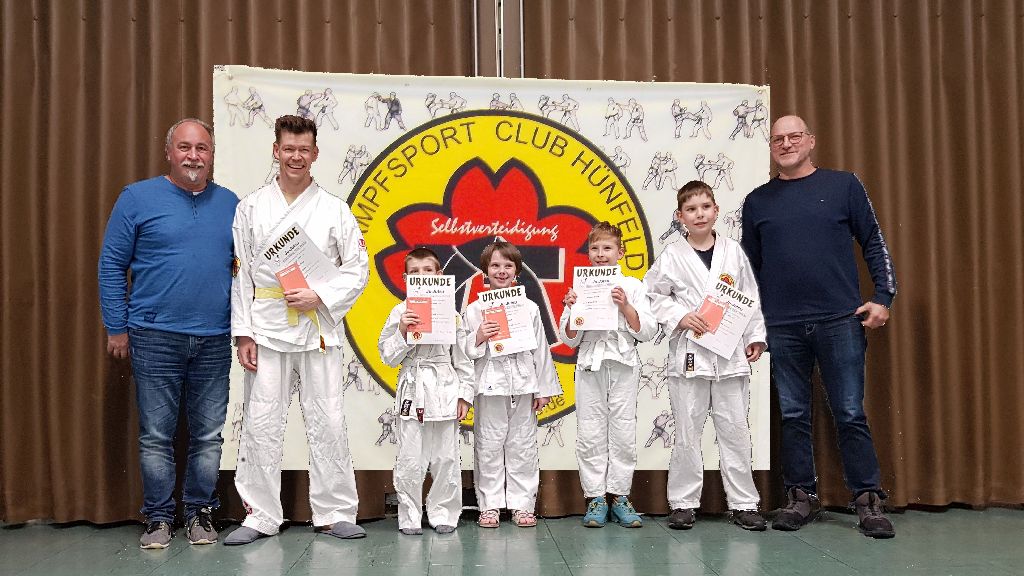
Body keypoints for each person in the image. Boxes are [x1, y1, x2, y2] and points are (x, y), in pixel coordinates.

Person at [740, 115, 897, 539]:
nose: (786, 143)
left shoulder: (844, 186)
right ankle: (800, 498)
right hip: (781, 326)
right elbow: (748, 271)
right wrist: (750, 327)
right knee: (793, 415)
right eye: (778, 139)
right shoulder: (757, 202)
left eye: (794, 136)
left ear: (811, 141)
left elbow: (873, 241)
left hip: (839, 320)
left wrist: (883, 297)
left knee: (849, 412)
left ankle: (868, 500)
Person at [226, 115, 370, 545]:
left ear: (315, 153)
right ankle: (260, 514)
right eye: (288, 148)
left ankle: (334, 511)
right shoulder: (251, 207)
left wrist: (320, 296)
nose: (295, 156)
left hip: (316, 326)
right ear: (276, 150)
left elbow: (358, 269)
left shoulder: (334, 209)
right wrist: (243, 333)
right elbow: (241, 275)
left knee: (328, 418)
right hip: (267, 325)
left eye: (303, 149)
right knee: (261, 421)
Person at [98, 118, 238, 549]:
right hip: (153, 336)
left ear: (211, 154)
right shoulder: (136, 198)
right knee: (156, 435)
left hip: (215, 338)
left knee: (208, 436)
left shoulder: (231, 203)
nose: (193, 156)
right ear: (169, 152)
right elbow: (111, 265)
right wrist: (116, 327)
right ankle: (158, 518)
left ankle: (200, 513)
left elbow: (249, 271)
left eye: (202, 148)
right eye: (185, 147)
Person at [644, 180, 768, 532]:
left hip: (729, 355)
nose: (699, 214)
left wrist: (755, 336)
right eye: (691, 209)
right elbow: (652, 295)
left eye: (705, 207)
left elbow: (749, 297)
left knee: (735, 431)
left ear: (716, 211)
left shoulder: (733, 252)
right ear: (679, 216)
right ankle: (683, 503)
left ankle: (744, 504)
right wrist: (679, 316)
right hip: (691, 354)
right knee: (686, 433)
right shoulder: (672, 255)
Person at [558, 222, 657, 528]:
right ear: (588, 253)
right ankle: (596, 497)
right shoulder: (580, 286)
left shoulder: (633, 286)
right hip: (590, 363)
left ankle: (620, 496)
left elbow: (647, 331)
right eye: (595, 248)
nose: (601, 254)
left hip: (623, 362)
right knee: (590, 431)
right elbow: (569, 338)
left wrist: (625, 306)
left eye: (607, 248)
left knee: (623, 431)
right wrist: (572, 308)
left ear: (620, 252)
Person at [463, 241, 562, 528]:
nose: (501, 271)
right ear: (485, 270)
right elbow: (463, 350)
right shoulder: (474, 309)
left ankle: (522, 505)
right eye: (495, 265)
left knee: (523, 445)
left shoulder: (529, 307)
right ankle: (489, 505)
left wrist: (543, 388)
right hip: (489, 385)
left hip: (523, 384)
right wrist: (479, 336)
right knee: (488, 445)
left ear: (517, 271)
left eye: (508, 265)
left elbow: (540, 349)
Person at [377, 248, 474, 535]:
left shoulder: (452, 314)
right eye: (415, 272)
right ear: (406, 278)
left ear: (439, 275)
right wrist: (402, 332)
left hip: (445, 386)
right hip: (413, 387)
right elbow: (387, 356)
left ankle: (443, 512)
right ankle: (409, 515)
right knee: (410, 458)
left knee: (446, 457)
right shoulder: (400, 312)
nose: (421, 276)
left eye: (427, 270)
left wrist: (464, 394)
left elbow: (463, 358)